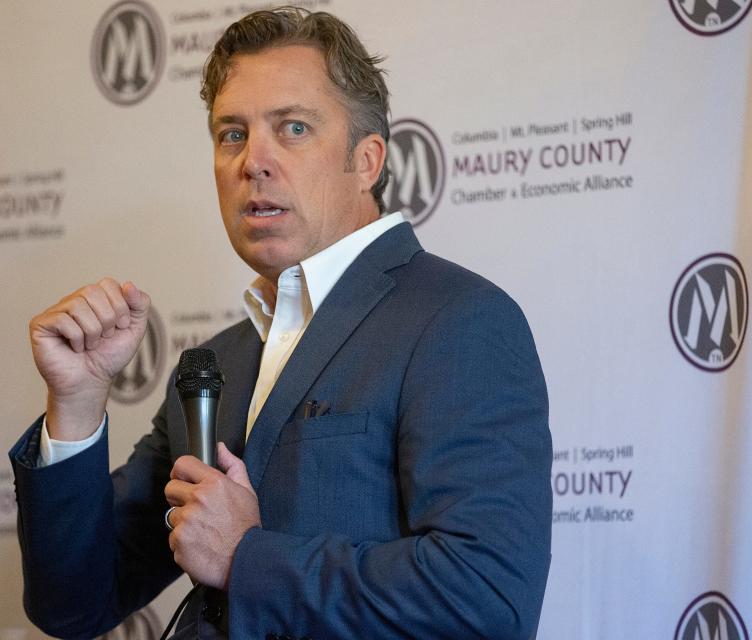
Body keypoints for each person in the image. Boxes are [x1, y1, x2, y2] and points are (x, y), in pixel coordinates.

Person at [9, 8, 552, 639]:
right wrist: (75, 405)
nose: (253, 162)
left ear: (367, 161)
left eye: (293, 127)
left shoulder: (460, 321)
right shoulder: (217, 363)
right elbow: (73, 603)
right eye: (231, 134)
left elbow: (487, 600)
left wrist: (247, 558)